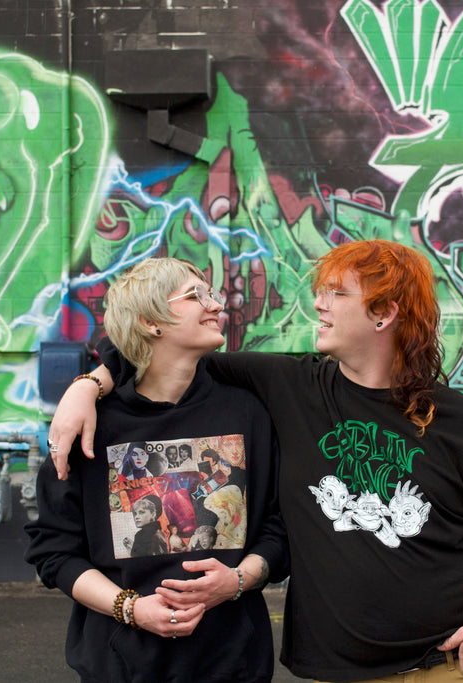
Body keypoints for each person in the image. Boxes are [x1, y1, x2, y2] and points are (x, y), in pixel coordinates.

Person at [48, 239, 463, 682]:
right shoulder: (290, 387)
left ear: (383, 313)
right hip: (335, 671)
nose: (318, 304)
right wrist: (86, 386)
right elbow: (156, 356)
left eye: (336, 293)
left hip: (447, 666)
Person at [25, 257, 287, 683]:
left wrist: (237, 581)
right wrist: (130, 608)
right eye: (194, 296)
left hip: (232, 663)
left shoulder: (247, 413)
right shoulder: (93, 426)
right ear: (151, 322)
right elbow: (54, 551)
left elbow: (278, 528)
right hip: (121, 666)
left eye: (212, 293)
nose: (215, 304)